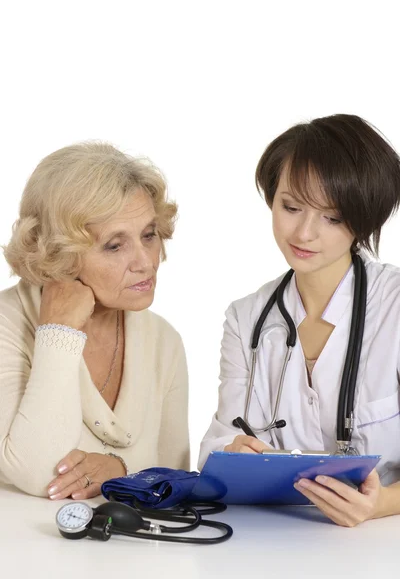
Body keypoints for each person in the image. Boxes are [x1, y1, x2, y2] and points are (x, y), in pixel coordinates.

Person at [199, 114, 400, 527]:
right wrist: (232, 454)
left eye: (332, 217)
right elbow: (217, 446)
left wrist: (379, 504)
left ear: (365, 219)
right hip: (270, 536)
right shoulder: (245, 319)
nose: (304, 233)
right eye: (291, 207)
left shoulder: (394, 305)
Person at [0, 142, 189, 499]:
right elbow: (39, 472)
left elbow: (175, 478)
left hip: (136, 551)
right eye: (115, 246)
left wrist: (119, 469)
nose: (145, 262)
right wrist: (59, 332)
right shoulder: (6, 324)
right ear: (59, 252)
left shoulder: (163, 340)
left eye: (148, 235)